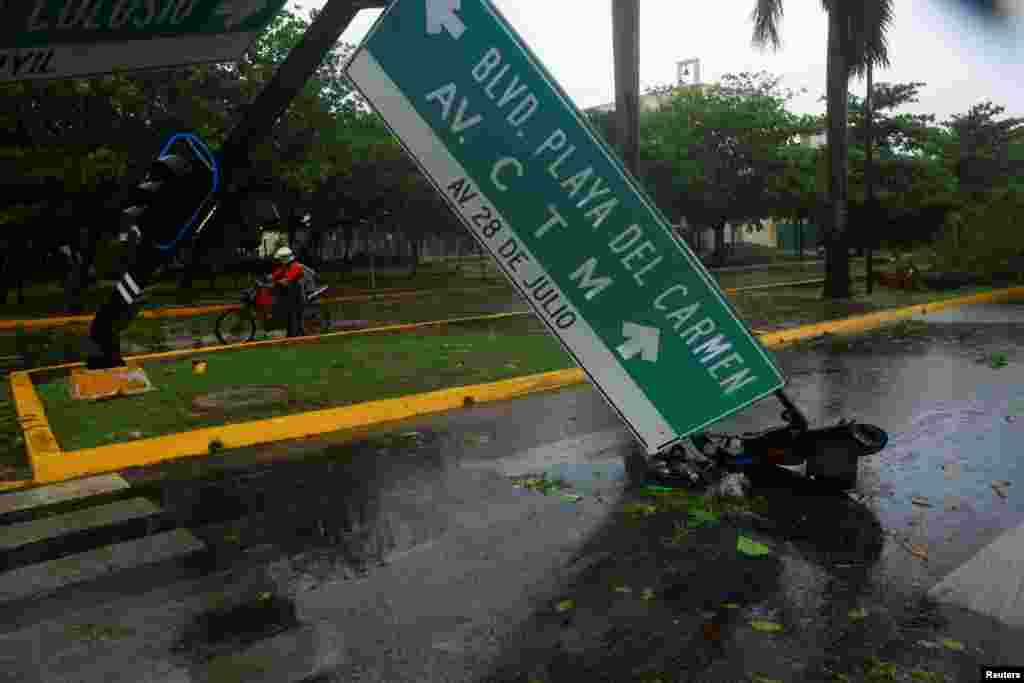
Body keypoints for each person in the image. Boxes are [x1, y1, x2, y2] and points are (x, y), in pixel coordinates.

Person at [270, 246, 306, 337]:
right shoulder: (285, 266)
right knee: (285, 311)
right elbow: (275, 274)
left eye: (280, 259)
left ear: (285, 258)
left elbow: (287, 280)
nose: (279, 261)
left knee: (292, 314)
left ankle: (295, 334)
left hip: (298, 294)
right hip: (289, 293)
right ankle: (290, 333)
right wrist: (268, 278)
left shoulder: (296, 266)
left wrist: (276, 282)